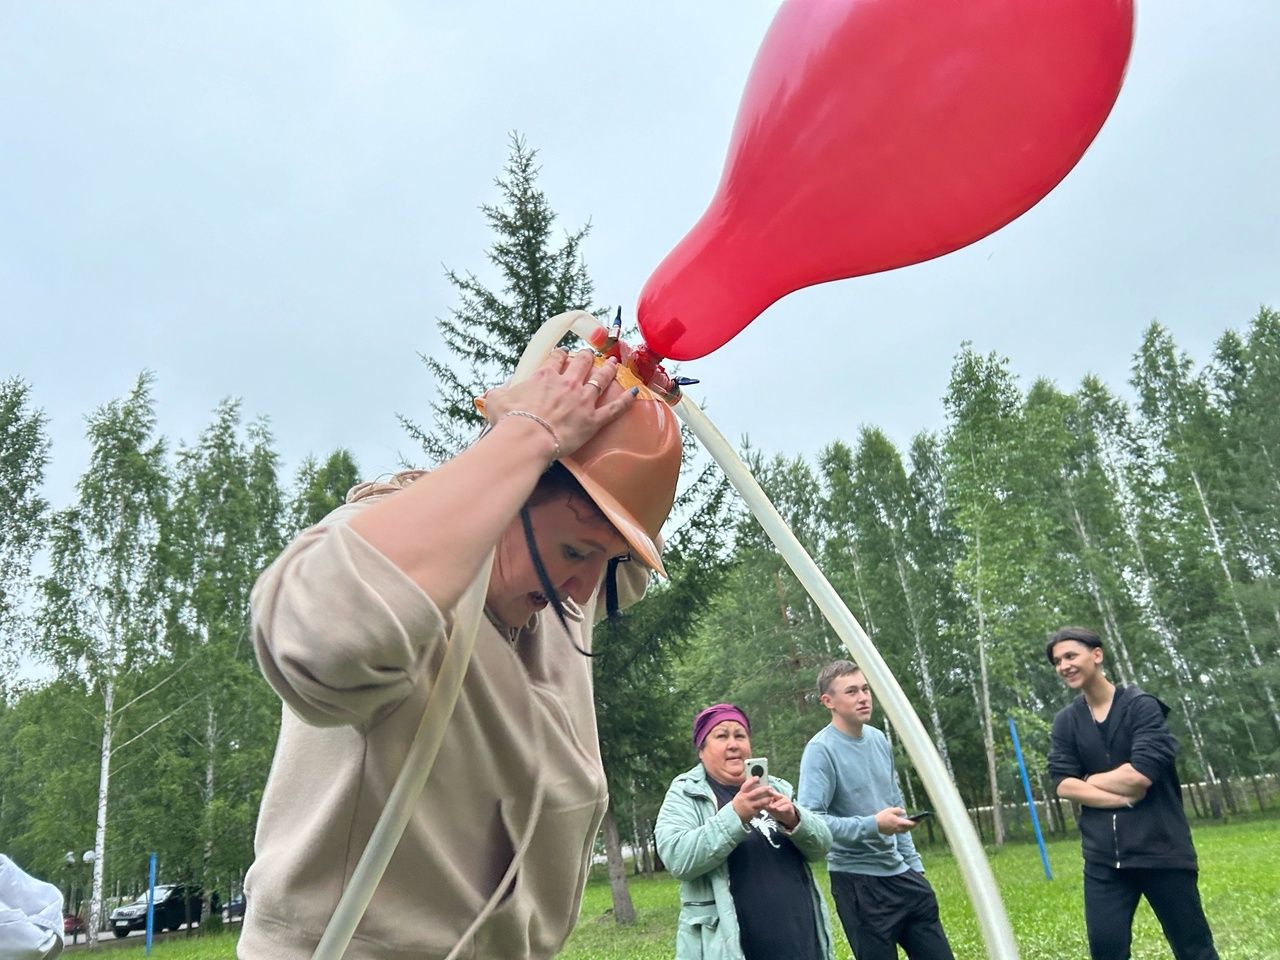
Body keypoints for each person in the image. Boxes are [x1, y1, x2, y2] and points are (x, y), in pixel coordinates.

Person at [241, 347, 683, 960]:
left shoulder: (548, 592)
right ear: (512, 483)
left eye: (608, 561)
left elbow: (607, 544)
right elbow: (315, 639)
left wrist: (640, 404)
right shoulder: (397, 560)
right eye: (578, 553)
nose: (585, 592)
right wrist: (525, 434)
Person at [1045, 626, 1219, 960]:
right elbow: (1063, 784)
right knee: (1107, 952)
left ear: (1097, 655)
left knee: (1194, 950)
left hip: (1162, 851)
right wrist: (1117, 796)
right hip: (1103, 861)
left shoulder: (1142, 706)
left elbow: (1140, 776)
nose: (1063, 665)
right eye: (1057, 661)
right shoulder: (1066, 722)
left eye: (1070, 655)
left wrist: (1087, 779)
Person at [799, 660, 956, 960]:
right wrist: (873, 825)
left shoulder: (878, 739)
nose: (863, 697)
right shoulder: (821, 751)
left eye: (865, 689)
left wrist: (914, 865)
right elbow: (812, 823)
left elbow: (894, 804)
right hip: (858, 885)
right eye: (852, 691)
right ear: (828, 701)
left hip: (903, 877)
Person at [654, 703, 835, 960]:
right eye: (721, 736)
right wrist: (735, 814)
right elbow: (678, 857)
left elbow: (822, 846)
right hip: (732, 950)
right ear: (701, 750)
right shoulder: (686, 793)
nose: (733, 744)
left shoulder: (776, 787)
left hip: (802, 944)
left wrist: (794, 819)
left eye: (740, 735)